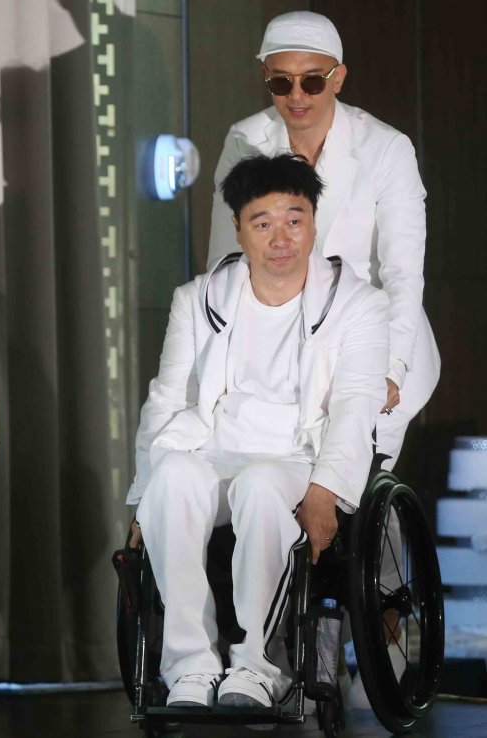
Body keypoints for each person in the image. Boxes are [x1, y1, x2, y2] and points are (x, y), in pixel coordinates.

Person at [126, 154, 389, 708]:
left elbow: (354, 404)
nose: (281, 238)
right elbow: (168, 399)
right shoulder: (198, 299)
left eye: (294, 219)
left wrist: (325, 490)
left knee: (263, 485)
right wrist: (143, 499)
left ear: (313, 222)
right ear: (239, 229)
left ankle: (256, 666)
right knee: (171, 478)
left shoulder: (358, 304)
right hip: (216, 448)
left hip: (297, 455)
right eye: (262, 222)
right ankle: (191, 668)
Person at [208, 11, 440, 470]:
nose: (297, 95)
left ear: (338, 78)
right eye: (281, 82)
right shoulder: (245, 140)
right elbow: (226, 263)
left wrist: (390, 368)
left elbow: (402, 272)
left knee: (351, 485)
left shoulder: (385, 148)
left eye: (312, 82)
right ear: (265, 77)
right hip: (279, 351)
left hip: (373, 339)